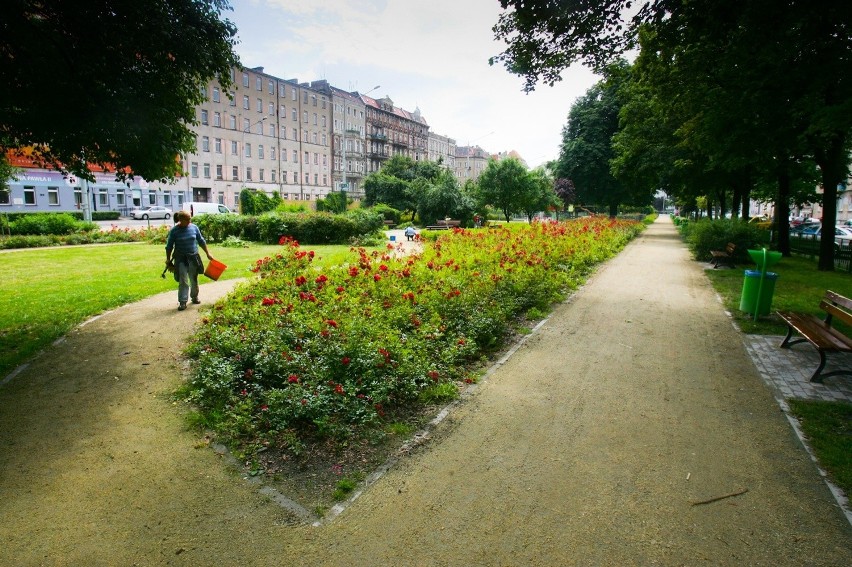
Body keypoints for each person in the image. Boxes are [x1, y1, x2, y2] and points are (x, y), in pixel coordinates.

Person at [165, 210, 214, 311]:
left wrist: (208, 253)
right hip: (181, 259)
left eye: (190, 218)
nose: (189, 220)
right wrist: (168, 259)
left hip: (193, 257)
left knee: (194, 279)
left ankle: (194, 297)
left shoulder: (194, 227)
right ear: (181, 220)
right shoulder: (174, 231)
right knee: (183, 280)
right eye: (187, 219)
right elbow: (169, 246)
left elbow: (201, 240)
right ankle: (183, 302)